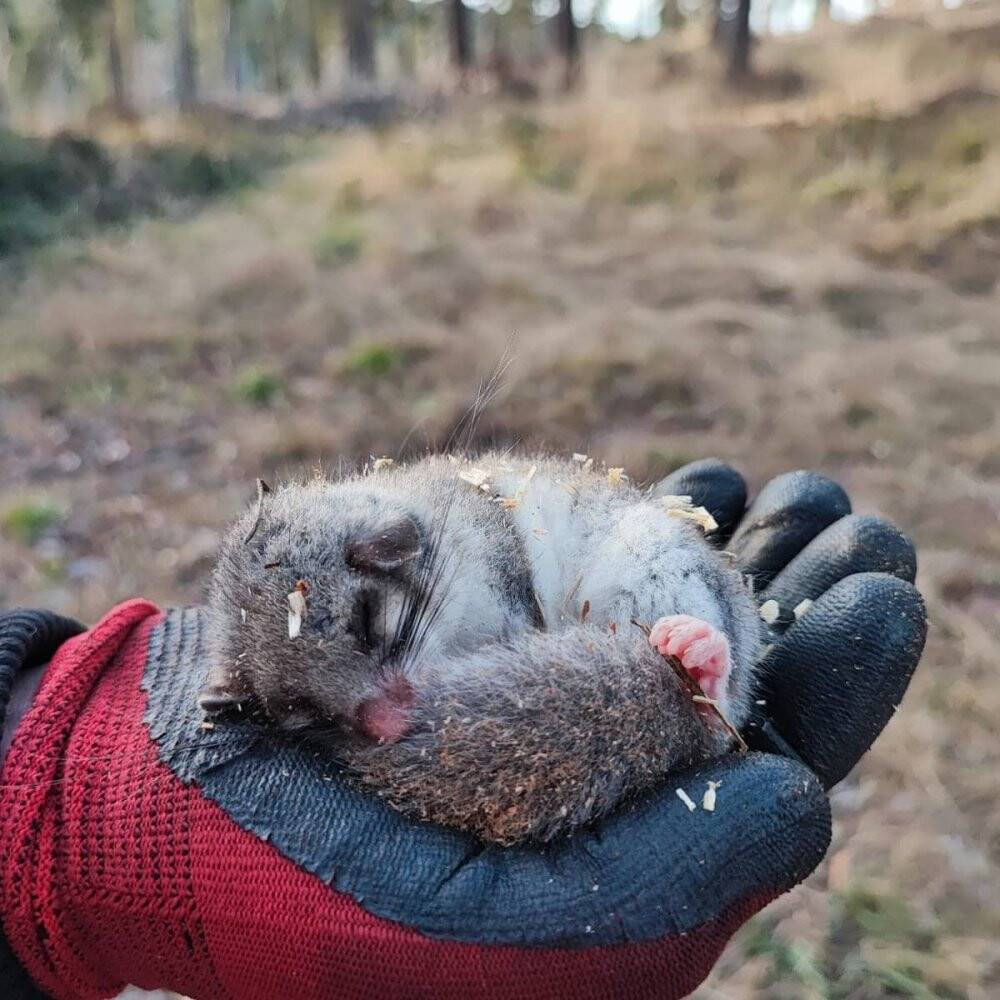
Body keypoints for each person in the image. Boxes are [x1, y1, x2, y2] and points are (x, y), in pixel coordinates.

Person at [0, 461, 926, 1000]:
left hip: (602, 603)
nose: (381, 716)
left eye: (374, 647)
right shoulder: (299, 631)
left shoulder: (437, 542)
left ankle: (689, 689)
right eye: (324, 705)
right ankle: (680, 690)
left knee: (660, 579)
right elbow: (299, 645)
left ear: (392, 549)